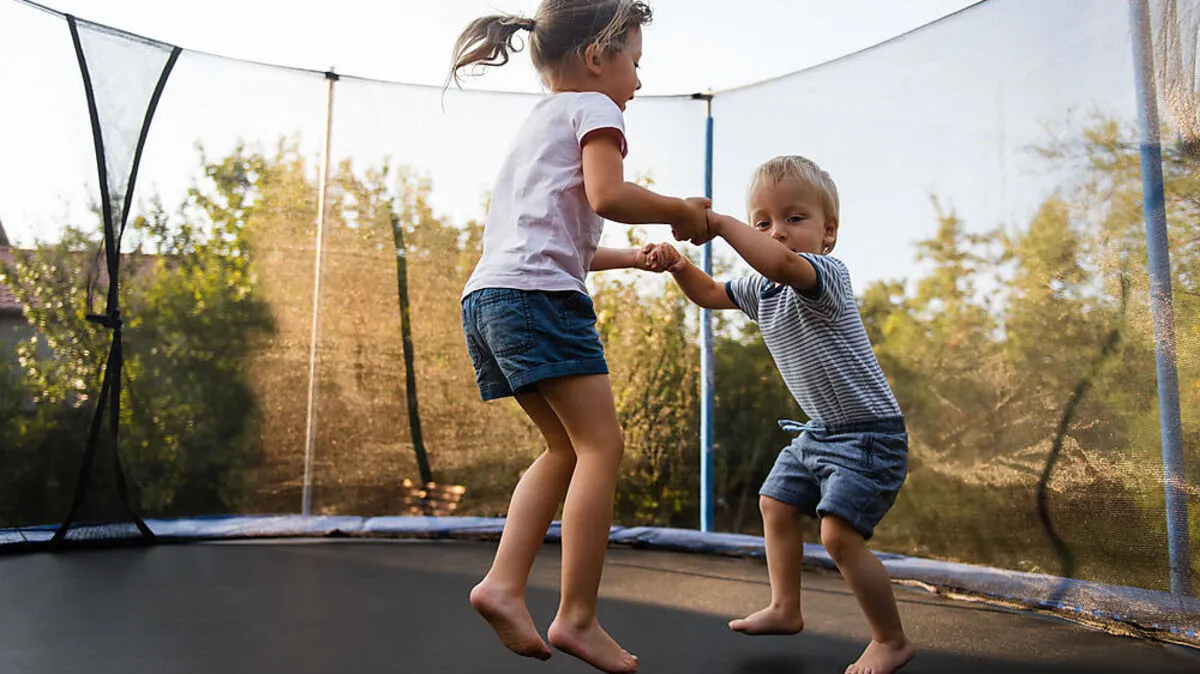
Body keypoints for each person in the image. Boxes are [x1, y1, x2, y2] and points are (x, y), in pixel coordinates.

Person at [447, 2, 708, 672]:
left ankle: (503, 585)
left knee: (564, 448)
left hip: (490, 298)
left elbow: (564, 242)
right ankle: (577, 617)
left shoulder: (535, 126)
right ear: (598, 55)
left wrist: (631, 258)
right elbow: (608, 196)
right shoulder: (597, 111)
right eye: (635, 63)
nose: (638, 84)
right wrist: (680, 211)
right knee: (602, 446)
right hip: (537, 300)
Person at [648, 155, 914, 674]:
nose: (778, 233)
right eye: (763, 222)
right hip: (819, 432)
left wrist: (723, 224)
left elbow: (779, 264)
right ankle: (786, 607)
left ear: (828, 232)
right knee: (774, 502)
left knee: (838, 536)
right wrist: (681, 266)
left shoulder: (825, 275)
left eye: (795, 219)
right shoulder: (758, 289)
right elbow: (709, 293)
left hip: (870, 435)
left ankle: (891, 639)